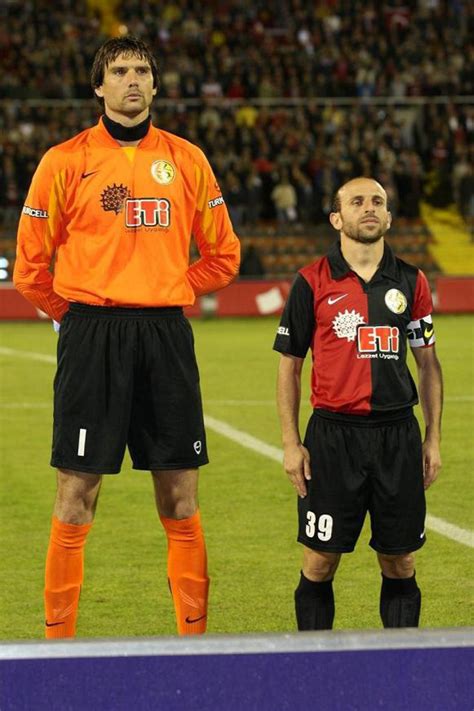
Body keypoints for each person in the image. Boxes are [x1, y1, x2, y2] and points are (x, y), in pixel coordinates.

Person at [14, 36, 240, 639]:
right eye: (120, 71)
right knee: (75, 495)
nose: (132, 80)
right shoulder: (64, 161)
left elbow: (224, 255)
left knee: (180, 498)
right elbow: (30, 266)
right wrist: (78, 313)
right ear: (99, 85)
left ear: (156, 85)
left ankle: (195, 648)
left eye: (142, 70)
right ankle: (58, 650)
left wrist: (167, 285)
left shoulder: (188, 159)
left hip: (165, 333)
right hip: (92, 334)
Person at [273, 177, 442, 630]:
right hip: (332, 439)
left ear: (388, 217)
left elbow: (428, 363)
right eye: (357, 201)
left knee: (400, 561)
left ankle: (400, 669)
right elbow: (289, 367)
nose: (368, 208)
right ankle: (315, 670)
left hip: (397, 438)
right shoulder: (311, 281)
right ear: (337, 218)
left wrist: (432, 439)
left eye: (378, 202)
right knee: (319, 561)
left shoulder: (411, 280)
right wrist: (292, 444)